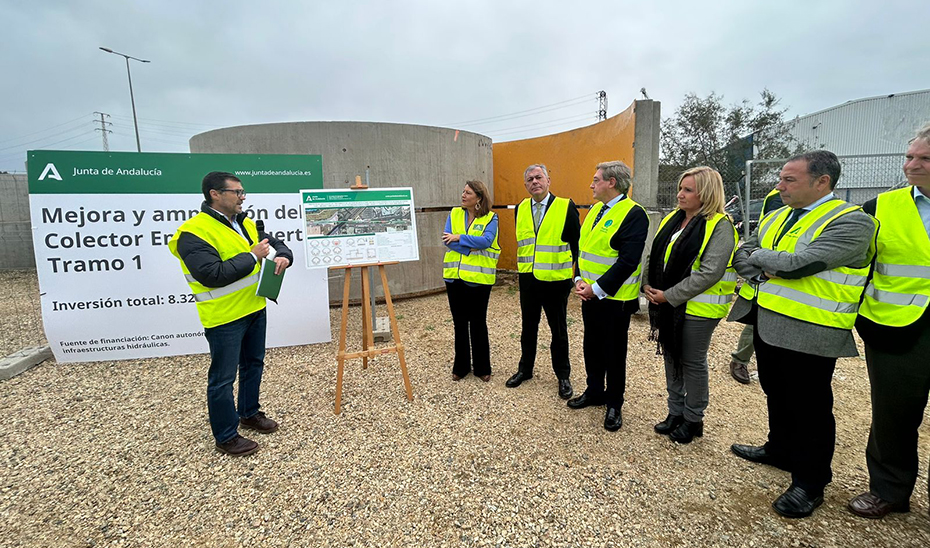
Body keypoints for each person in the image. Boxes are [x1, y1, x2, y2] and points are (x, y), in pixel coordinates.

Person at [728, 150, 877, 518]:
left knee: (810, 406)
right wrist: (766, 263)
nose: (779, 186)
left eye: (789, 180)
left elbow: (800, 264)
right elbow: (742, 254)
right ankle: (779, 449)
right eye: (780, 178)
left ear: (822, 181)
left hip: (813, 330)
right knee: (776, 391)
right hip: (769, 321)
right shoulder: (778, 214)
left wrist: (765, 259)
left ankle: (810, 483)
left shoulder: (851, 221)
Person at [168, 171, 292, 456]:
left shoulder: (245, 222)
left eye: (242, 191)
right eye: (237, 192)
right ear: (215, 194)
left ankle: (249, 413)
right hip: (224, 317)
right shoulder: (193, 233)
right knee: (223, 379)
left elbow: (276, 243)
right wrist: (253, 256)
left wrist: (284, 255)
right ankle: (225, 436)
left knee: (253, 365)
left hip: (254, 307)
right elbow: (212, 274)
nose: (243, 197)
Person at [848, 123, 930, 519]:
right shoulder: (880, 207)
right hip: (896, 329)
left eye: (924, 159)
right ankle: (889, 489)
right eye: (909, 156)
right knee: (893, 413)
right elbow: (856, 267)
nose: (911, 165)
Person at [643, 167, 737, 443]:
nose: (680, 194)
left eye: (688, 190)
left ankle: (693, 418)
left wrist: (669, 295)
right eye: (680, 188)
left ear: (705, 193)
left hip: (698, 309)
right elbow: (655, 254)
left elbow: (710, 272)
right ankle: (675, 412)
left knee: (692, 362)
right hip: (668, 305)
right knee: (671, 356)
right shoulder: (674, 219)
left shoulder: (719, 225)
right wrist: (647, 284)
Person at [570, 161, 649, 431]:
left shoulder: (634, 214)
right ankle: (594, 391)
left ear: (611, 182)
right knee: (591, 346)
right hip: (589, 294)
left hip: (615, 300)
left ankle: (615, 403)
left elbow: (627, 262)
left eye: (596, 179)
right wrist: (579, 279)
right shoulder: (593, 210)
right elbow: (584, 250)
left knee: (614, 352)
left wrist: (597, 288)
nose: (591, 185)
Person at [505, 164, 580, 399]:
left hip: (556, 281)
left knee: (558, 331)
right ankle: (524, 370)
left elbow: (576, 245)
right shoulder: (521, 208)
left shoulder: (565, 206)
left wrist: (574, 275)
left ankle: (563, 376)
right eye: (529, 179)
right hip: (529, 280)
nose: (534, 182)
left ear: (549, 180)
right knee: (528, 328)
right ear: (525, 184)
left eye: (539, 177)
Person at [442, 180, 500, 382]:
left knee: (477, 322)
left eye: (468, 192)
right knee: (459, 323)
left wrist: (459, 237)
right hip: (454, 278)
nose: (463, 195)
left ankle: (483, 368)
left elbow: (487, 241)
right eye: (463, 191)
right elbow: (446, 240)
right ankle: (461, 367)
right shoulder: (454, 213)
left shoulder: (491, 218)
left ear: (479, 197)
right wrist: (468, 247)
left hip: (479, 279)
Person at [729, 187, 783, 384]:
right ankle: (740, 360)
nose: (782, 185)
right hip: (765, 281)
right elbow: (759, 244)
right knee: (757, 325)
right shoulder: (778, 199)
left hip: (795, 291)